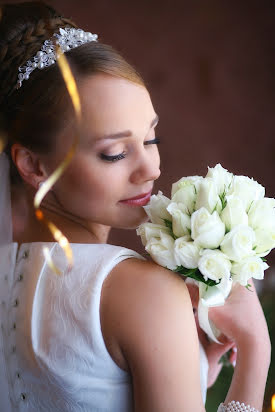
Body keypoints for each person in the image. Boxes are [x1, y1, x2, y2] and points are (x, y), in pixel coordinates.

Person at [0, 2, 271, 411]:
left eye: (151, 139)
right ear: (33, 165)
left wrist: (197, 362)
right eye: (113, 153)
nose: (150, 169)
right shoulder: (144, 290)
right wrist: (254, 350)